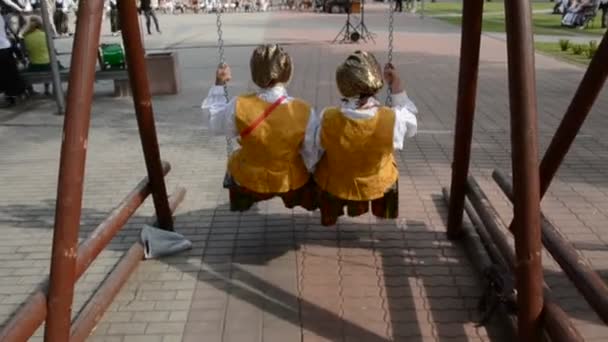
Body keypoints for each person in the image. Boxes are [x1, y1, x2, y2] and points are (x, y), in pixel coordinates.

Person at [302, 51, 418, 226]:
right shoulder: (391, 119)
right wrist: (396, 85)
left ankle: (331, 208)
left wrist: (310, 168)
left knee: (320, 162)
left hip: (337, 181)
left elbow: (313, 150)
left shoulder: (328, 117)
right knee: (389, 165)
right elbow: (411, 121)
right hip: (376, 181)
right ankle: (382, 207)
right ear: (374, 81)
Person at [201, 44, 317, 212]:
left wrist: (219, 84)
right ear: (287, 71)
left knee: (236, 157)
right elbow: (311, 152)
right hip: (289, 176)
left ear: (254, 71)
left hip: (249, 175)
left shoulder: (239, 105)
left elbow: (214, 122)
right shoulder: (303, 110)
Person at [23, 15, 58, 95]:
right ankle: (47, 89)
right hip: (47, 65)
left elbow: (25, 53)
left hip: (34, 66)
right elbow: (53, 50)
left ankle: (30, 90)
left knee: (23, 69)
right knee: (53, 65)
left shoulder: (26, 37)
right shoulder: (46, 35)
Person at [0, 14, 28, 106]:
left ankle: (12, 95)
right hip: (5, 46)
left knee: (6, 74)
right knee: (10, 73)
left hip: (3, 47)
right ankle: (17, 93)